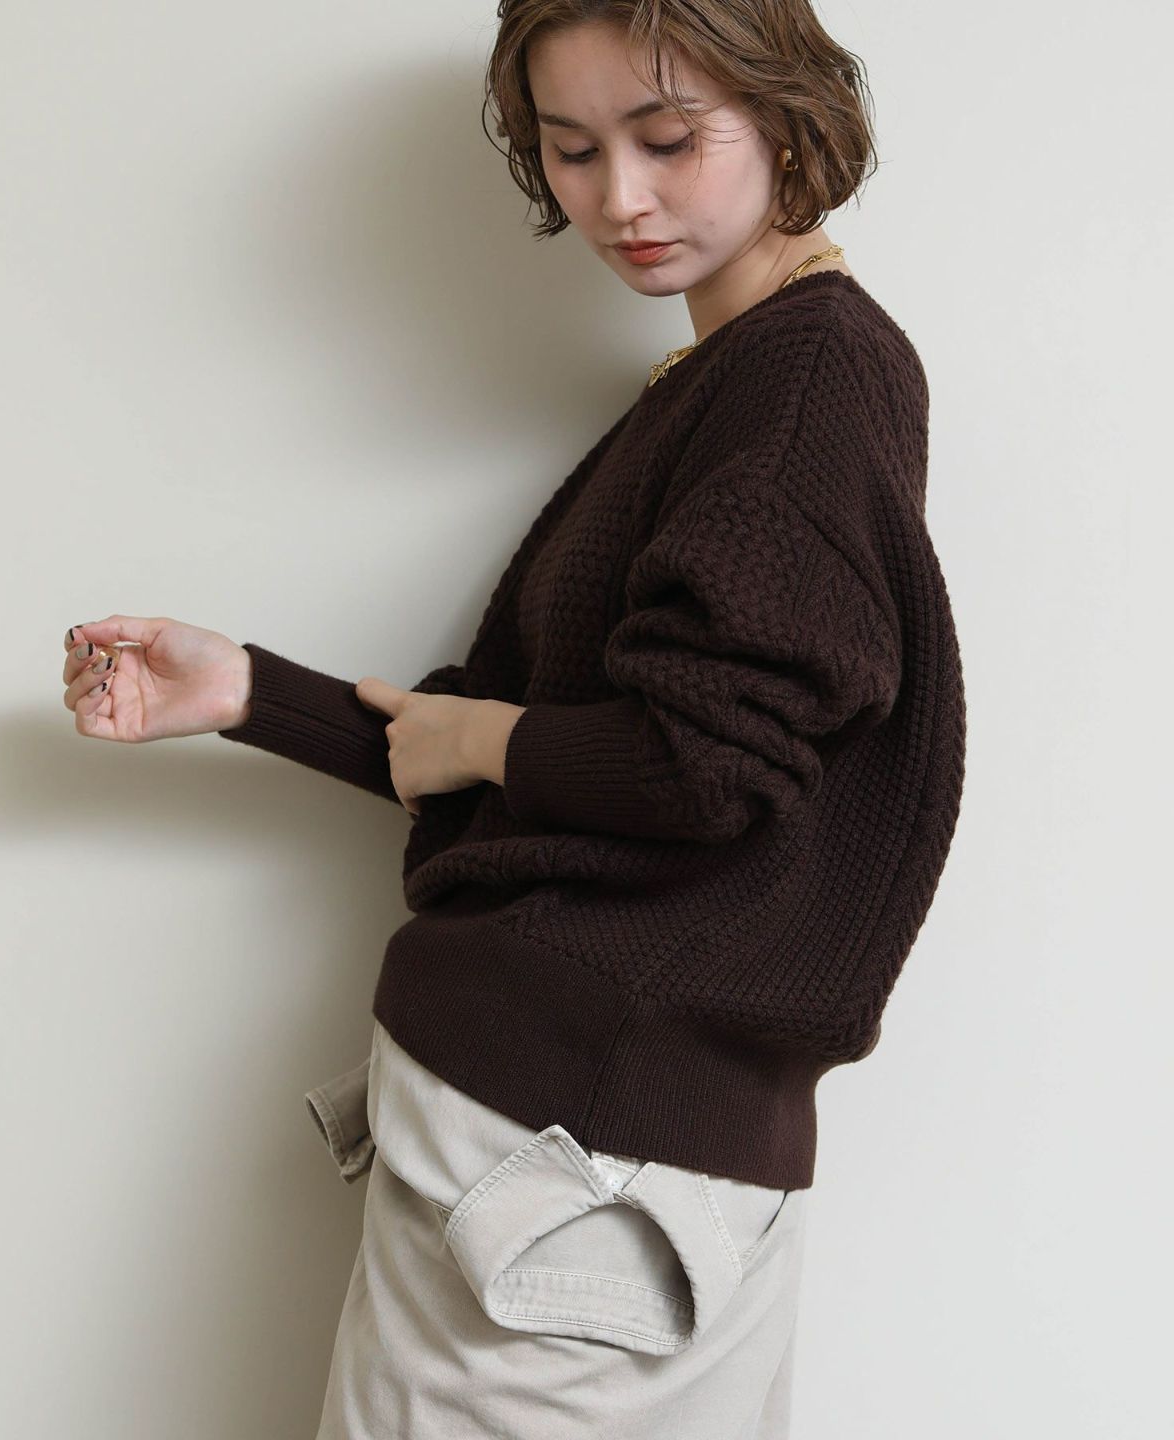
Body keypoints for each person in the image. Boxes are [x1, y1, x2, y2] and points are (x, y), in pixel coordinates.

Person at [59, 4, 966, 1436]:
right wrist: (251, 693)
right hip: (578, 1155)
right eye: (574, 151)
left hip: (581, 1158)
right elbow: (586, 764)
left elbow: (702, 762)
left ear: (788, 115)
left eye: (668, 140)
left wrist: (483, 740)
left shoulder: (804, 379)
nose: (622, 199)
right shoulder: (730, 376)